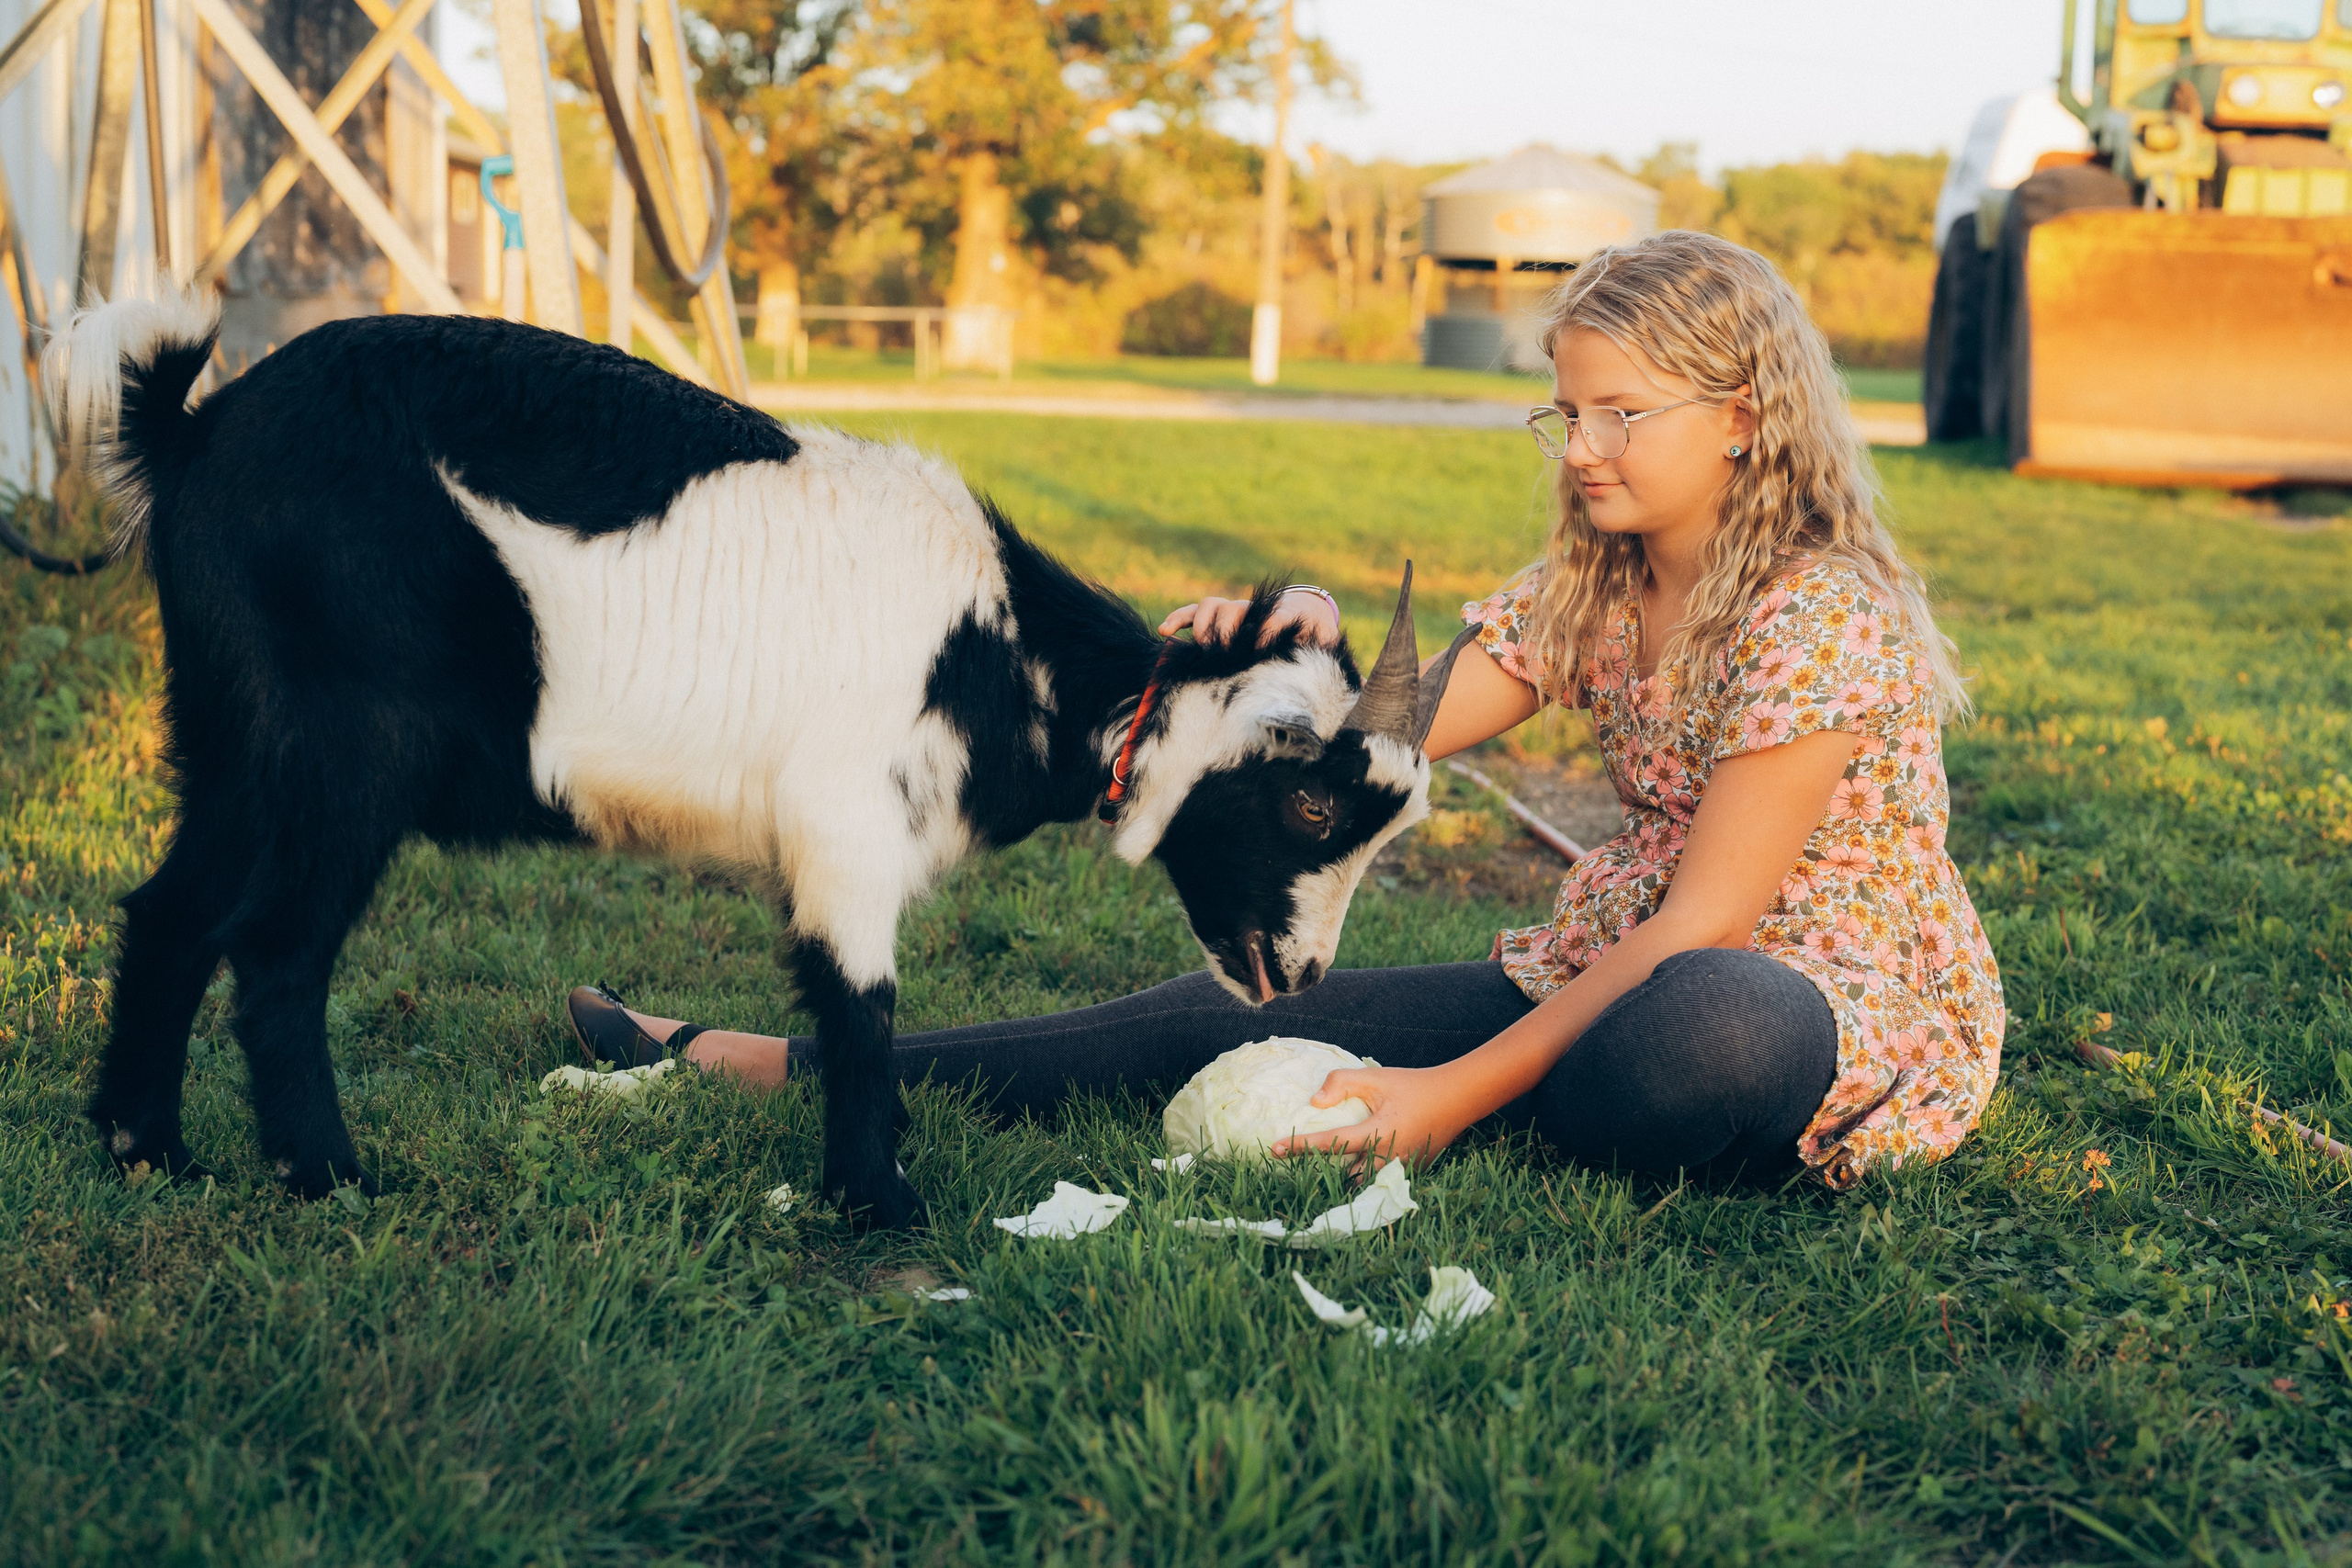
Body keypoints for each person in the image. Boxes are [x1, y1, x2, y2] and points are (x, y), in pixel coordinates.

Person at [567, 231, 2003, 1189]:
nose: (1583, 451)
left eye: (1624, 414)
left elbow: (1707, 924)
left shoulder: (1821, 610)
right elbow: (1381, 745)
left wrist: (1440, 1098)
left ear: (1747, 411)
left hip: (1798, 985)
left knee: (1695, 1038)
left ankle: (1517, 1095)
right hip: (1607, 951)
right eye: (1566, 414)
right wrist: (1293, 651)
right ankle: (770, 1061)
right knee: (1225, 1022)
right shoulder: (1597, 587)